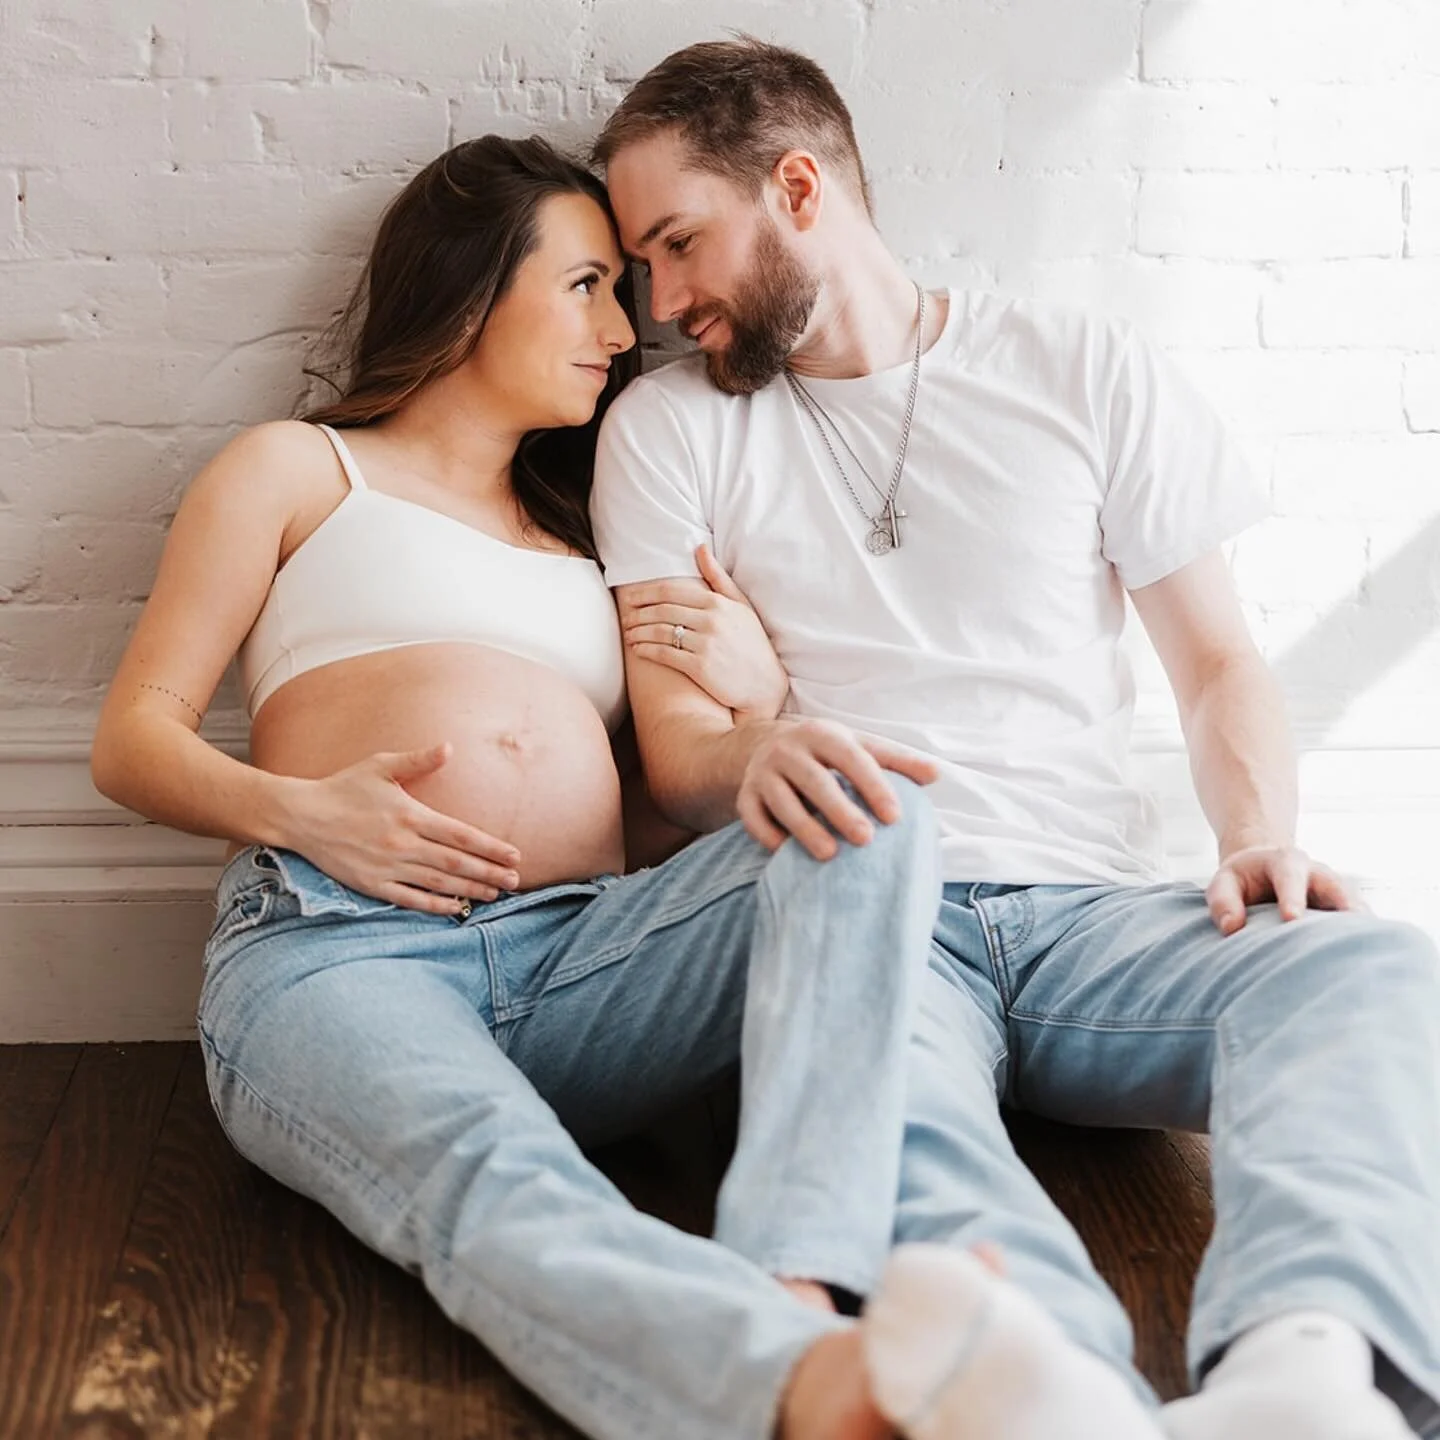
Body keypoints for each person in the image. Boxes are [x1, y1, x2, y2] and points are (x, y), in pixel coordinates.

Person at [589, 37, 1440, 1440]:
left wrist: (1258, 843)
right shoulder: (669, 432)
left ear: (798, 187)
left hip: (1093, 913)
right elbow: (678, 752)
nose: (666, 304)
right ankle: (1069, 1400)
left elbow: (1220, 663)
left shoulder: (1081, 369)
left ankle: (1306, 1377)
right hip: (874, 910)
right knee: (887, 1120)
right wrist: (762, 750)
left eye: (679, 246)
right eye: (642, 268)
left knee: (1365, 974)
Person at [85, 134, 999, 1440]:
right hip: (345, 955)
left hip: (584, 956)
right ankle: (791, 1380)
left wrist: (756, 705)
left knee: (867, 813)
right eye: (585, 285)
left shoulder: (585, 535)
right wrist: (306, 812)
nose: (625, 332)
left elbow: (658, 812)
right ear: (470, 288)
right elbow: (134, 738)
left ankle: (798, 1266)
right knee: (493, 1177)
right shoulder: (298, 470)